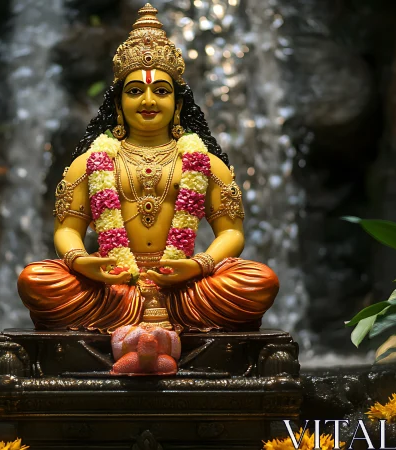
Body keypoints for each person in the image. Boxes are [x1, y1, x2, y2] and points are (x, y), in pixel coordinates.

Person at [17, 3, 278, 333]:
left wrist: (198, 266)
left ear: (178, 104)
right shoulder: (89, 164)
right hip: (111, 283)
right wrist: (83, 263)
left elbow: (230, 232)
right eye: (136, 91)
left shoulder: (207, 165)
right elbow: (68, 230)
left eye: (161, 91)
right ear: (118, 103)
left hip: (182, 283)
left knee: (259, 280)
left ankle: (141, 320)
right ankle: (147, 318)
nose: (148, 101)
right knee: (36, 279)